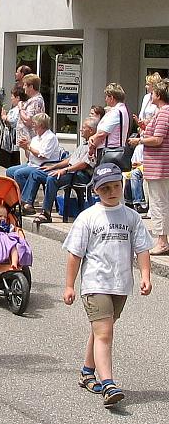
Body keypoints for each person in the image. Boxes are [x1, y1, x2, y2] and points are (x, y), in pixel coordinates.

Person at [63, 163, 153, 408]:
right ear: (96, 191)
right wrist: (69, 285)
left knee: (101, 330)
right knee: (105, 333)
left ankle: (87, 372)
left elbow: (142, 248)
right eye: (105, 188)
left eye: (115, 186)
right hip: (95, 283)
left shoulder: (131, 217)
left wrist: (145, 275)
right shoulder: (88, 217)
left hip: (121, 284)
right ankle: (109, 384)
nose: (112, 191)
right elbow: (75, 254)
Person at [127, 79, 169, 255]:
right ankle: (162, 239)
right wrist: (145, 126)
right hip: (158, 166)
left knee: (159, 204)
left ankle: (162, 241)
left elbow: (158, 140)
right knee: (161, 203)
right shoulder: (162, 113)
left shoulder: (164, 113)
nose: (150, 95)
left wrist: (139, 140)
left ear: (158, 95)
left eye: (152, 93)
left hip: (160, 166)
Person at [31, 117, 98, 223]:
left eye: (83, 128)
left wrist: (65, 170)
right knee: (37, 173)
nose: (80, 130)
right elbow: (70, 159)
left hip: (80, 174)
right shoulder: (83, 143)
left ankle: (46, 213)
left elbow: (84, 164)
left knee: (52, 178)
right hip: (70, 170)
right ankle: (27, 204)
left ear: (91, 130)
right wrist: (53, 167)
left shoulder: (94, 144)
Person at [5, 113, 60, 214]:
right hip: (32, 164)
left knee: (19, 173)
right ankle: (18, 198)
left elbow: (43, 155)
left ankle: (26, 202)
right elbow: (29, 156)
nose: (33, 125)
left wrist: (29, 147)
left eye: (34, 123)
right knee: (10, 171)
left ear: (42, 125)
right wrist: (25, 148)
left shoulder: (50, 137)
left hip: (44, 165)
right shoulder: (35, 138)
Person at [88, 83, 129, 159]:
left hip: (109, 152)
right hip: (115, 151)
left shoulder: (115, 112)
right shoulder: (122, 110)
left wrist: (92, 144)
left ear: (112, 98)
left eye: (107, 96)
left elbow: (102, 134)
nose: (105, 99)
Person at [0, 85, 26, 168]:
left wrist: (4, 117)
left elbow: (13, 122)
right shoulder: (16, 109)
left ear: (17, 97)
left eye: (12, 96)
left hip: (14, 143)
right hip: (9, 143)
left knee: (13, 164)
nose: (11, 98)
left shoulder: (20, 109)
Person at [17, 74, 45, 141]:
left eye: (25, 85)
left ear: (31, 87)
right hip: (26, 140)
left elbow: (28, 120)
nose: (23, 87)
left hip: (29, 139)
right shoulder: (34, 100)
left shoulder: (36, 101)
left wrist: (21, 108)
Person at [123, 143, 146, 213]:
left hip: (148, 167)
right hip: (138, 168)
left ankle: (139, 202)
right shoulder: (138, 148)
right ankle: (128, 201)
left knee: (134, 174)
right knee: (127, 175)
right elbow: (133, 163)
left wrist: (141, 164)